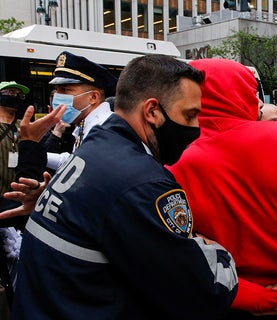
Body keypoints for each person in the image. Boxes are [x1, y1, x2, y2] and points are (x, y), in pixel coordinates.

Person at [11, 54, 238, 319]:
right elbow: (204, 291)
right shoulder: (142, 183)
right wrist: (217, 250)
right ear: (152, 111)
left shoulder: (97, 144)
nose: (195, 127)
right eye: (190, 115)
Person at [168, 58, 277, 318]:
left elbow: (172, 248)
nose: (258, 102)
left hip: (224, 297)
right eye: (251, 92)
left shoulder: (174, 159)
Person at [43, 51, 118, 170]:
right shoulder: (86, 125)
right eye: (57, 90)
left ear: (93, 97)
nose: (58, 96)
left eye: (65, 90)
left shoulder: (104, 130)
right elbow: (77, 162)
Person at [0, 81, 29, 314]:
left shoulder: (24, 127)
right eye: (10, 93)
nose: (15, 97)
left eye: (19, 94)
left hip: (18, 204)